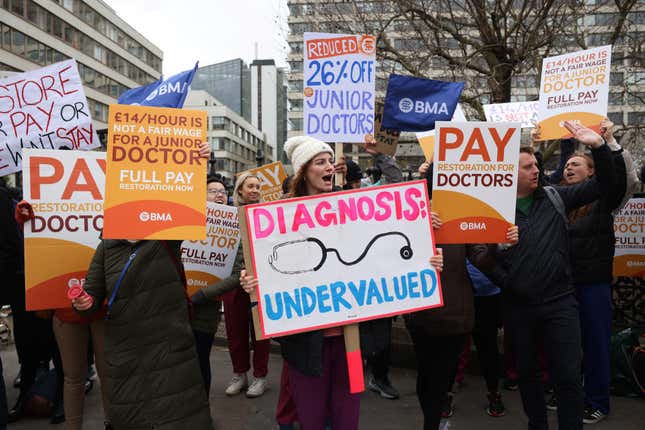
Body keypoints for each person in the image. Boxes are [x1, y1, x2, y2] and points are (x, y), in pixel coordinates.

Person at [240, 135, 444, 430]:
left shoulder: (351, 206)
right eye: (320, 162)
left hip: (351, 342)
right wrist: (253, 283)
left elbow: (394, 227)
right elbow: (268, 270)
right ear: (303, 171)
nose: (330, 167)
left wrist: (426, 262)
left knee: (347, 420)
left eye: (330, 161)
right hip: (305, 346)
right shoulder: (279, 217)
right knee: (311, 421)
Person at [72, 143, 213, 429]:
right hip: (127, 356)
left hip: (171, 351)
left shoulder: (167, 238)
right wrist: (83, 303)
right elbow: (92, 298)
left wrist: (198, 165)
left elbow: (189, 202)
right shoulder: (106, 248)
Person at [487, 121, 615, 430]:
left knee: (568, 376)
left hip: (560, 304)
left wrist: (598, 147)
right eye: (527, 166)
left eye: (535, 164)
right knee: (528, 376)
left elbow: (604, 185)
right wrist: (506, 270)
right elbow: (480, 256)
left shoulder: (555, 196)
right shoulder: (492, 210)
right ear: (509, 173)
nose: (536, 169)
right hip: (519, 308)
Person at [414, 160, 517, 429]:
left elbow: (481, 258)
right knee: (425, 376)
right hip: (420, 312)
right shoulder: (412, 215)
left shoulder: (463, 217)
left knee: (440, 377)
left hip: (454, 313)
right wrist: (420, 226)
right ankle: (431, 420)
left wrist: (498, 244)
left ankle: (432, 423)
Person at [556, 119, 638, 424]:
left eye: (576, 163)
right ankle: (567, 393)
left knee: (595, 343)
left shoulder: (604, 198)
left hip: (593, 284)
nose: (569, 168)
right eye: (566, 165)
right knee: (565, 343)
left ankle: (597, 401)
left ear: (592, 172)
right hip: (562, 284)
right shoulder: (557, 198)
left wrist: (606, 145)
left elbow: (619, 179)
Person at [190, 177, 228, 395]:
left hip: (206, 308)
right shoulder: (188, 221)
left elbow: (235, 274)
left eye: (223, 191)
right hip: (180, 305)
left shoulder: (234, 226)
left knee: (201, 358)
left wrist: (203, 294)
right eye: (213, 191)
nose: (219, 195)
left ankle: (201, 408)